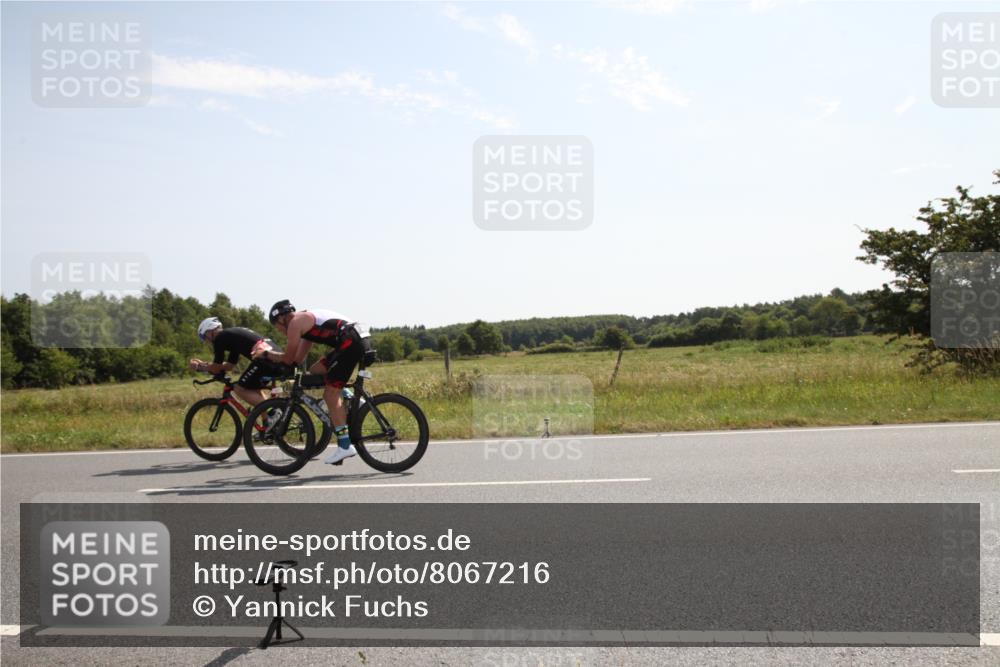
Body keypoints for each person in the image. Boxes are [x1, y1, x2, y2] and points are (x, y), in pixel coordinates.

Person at [256, 300, 373, 465]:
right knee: (316, 369)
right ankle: (350, 398)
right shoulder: (304, 325)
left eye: (277, 327)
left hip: (350, 341)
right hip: (353, 338)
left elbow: (288, 359)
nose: (280, 331)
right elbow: (297, 360)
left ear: (282, 318)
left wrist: (267, 354)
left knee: (330, 395)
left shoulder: (295, 323)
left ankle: (345, 446)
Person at [189, 317, 291, 407]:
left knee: (239, 388)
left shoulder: (219, 338)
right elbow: (229, 366)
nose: (206, 341)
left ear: (210, 331)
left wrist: (200, 367)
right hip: (275, 360)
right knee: (253, 390)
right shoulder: (230, 337)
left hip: (265, 360)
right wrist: (205, 365)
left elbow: (216, 367)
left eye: (203, 337)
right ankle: (269, 424)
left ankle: (272, 413)